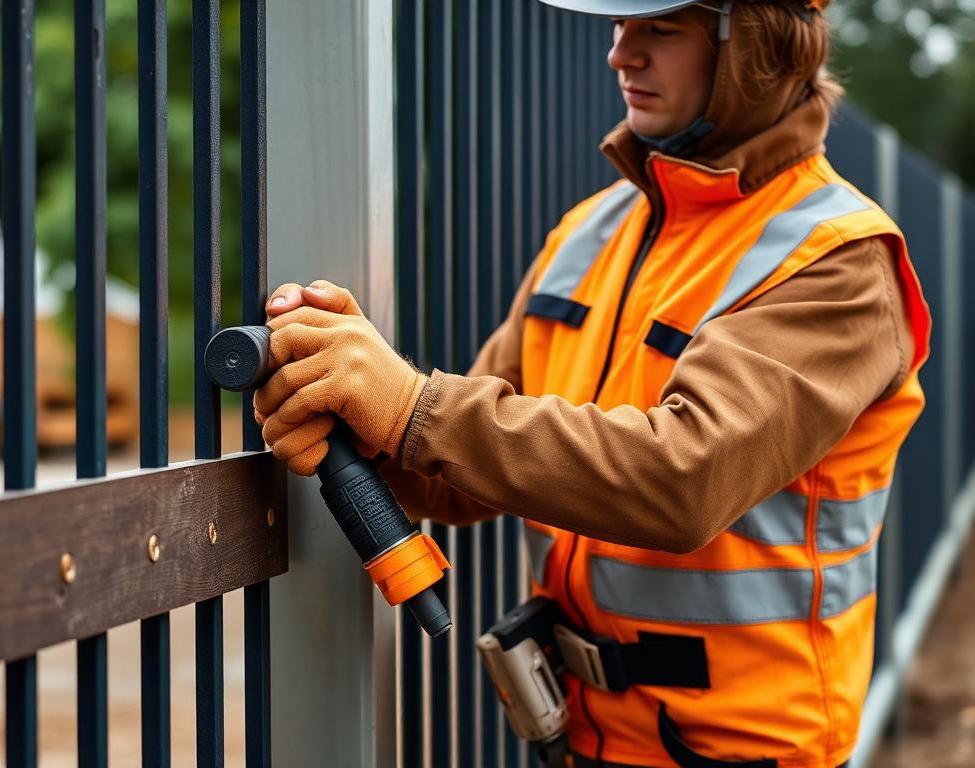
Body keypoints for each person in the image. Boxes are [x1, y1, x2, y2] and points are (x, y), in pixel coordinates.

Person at [255, 1, 931, 765]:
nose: (619, 55)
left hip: (740, 752)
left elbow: (684, 479)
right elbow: (463, 473)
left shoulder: (838, 262)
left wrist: (412, 406)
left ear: (755, 49)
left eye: (660, 29)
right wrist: (356, 412)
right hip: (578, 734)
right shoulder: (591, 230)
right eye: (619, 27)